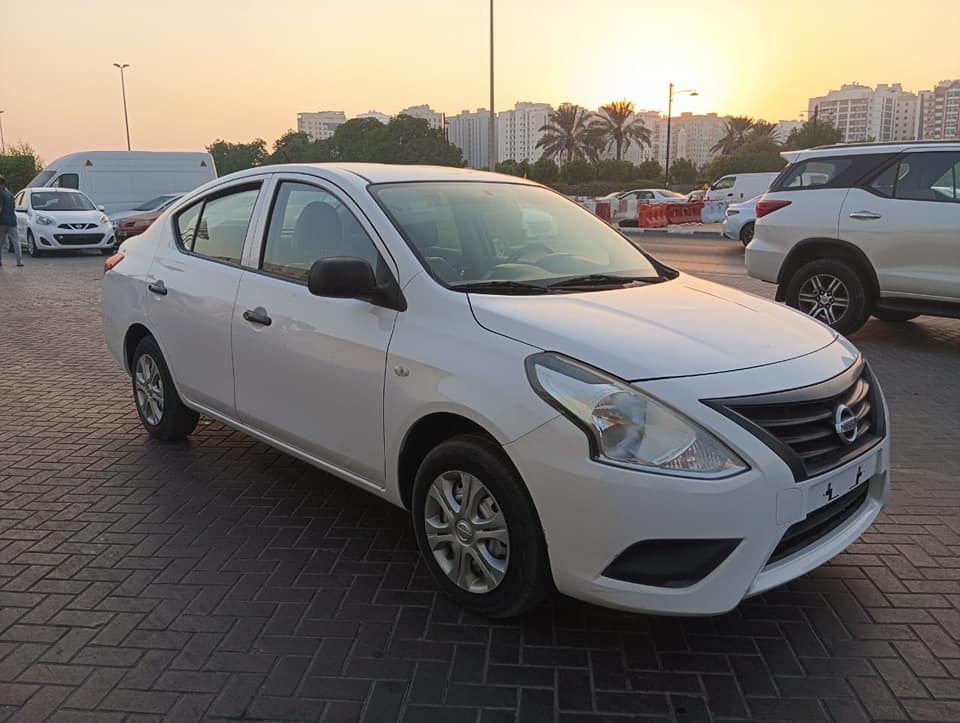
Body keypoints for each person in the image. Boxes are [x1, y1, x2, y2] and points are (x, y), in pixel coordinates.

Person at [0, 176, 23, 267]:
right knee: (16, 242)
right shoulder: (10, 194)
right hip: (12, 221)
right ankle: (19, 261)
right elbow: (13, 208)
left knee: (0, 242)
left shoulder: (1, 194)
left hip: (2, 222)